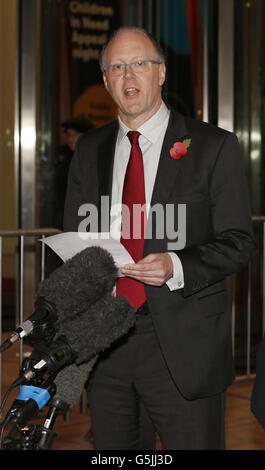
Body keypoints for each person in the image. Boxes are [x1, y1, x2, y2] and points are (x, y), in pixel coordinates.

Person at [63, 27, 256, 450]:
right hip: (108, 345)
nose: (128, 75)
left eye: (139, 64)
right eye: (117, 67)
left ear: (162, 73)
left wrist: (177, 265)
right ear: (106, 80)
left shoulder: (212, 146)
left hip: (184, 347)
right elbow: (76, 239)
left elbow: (239, 240)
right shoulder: (90, 150)